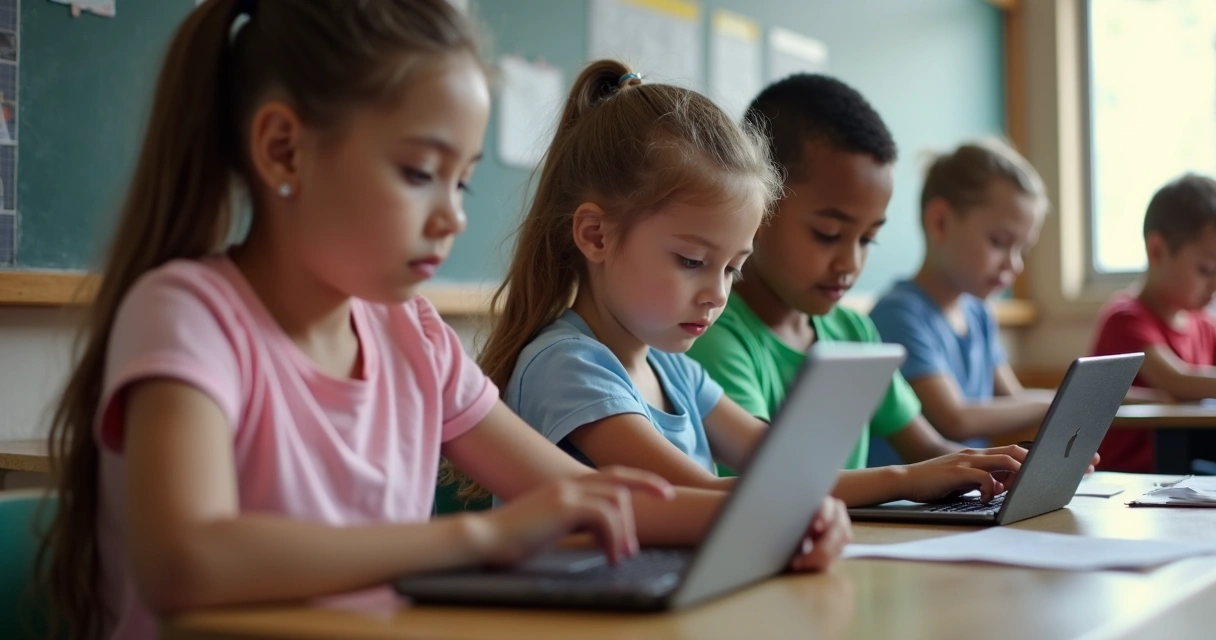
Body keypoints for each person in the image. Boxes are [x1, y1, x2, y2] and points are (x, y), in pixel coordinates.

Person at [35, 4, 849, 639]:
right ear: (284, 150)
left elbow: (584, 497)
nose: (452, 216)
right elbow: (187, 560)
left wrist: (779, 521)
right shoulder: (188, 315)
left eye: (462, 182)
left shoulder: (412, 335)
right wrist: (480, 541)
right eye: (419, 172)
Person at [869, 140, 1052, 446]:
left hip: (971, 479)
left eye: (1023, 249)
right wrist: (1053, 403)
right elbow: (956, 418)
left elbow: (1014, 399)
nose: (1015, 264)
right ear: (940, 222)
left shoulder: (979, 314)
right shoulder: (898, 315)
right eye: (999, 241)